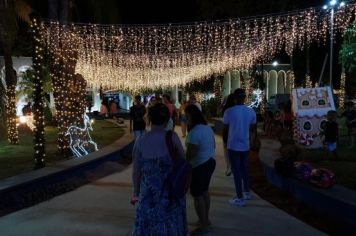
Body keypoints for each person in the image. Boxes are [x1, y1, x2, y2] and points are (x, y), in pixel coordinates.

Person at [132, 103, 187, 236]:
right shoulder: (172, 137)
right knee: (171, 223)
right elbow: (183, 162)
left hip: (149, 193)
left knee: (149, 225)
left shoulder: (141, 140)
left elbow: (137, 170)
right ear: (168, 119)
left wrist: (136, 192)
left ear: (149, 118)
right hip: (171, 191)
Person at [185, 104, 216, 235]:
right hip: (210, 162)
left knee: (197, 196)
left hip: (199, 166)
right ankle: (205, 220)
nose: (185, 119)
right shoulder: (207, 128)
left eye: (187, 117)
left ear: (192, 116)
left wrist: (184, 163)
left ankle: (203, 227)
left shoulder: (194, 133)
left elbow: (191, 154)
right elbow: (213, 145)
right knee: (204, 192)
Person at [223, 88, 257, 207]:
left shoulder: (229, 111)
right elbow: (252, 129)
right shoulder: (251, 112)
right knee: (245, 169)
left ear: (234, 98)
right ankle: (246, 192)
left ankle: (239, 197)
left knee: (236, 171)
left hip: (233, 145)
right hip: (245, 145)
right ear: (244, 98)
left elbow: (226, 128)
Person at [221, 93, 235, 176]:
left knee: (227, 151)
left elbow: (225, 124)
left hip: (227, 132)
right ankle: (233, 167)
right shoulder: (239, 109)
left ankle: (229, 167)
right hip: (235, 132)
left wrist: (223, 103)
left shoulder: (226, 109)